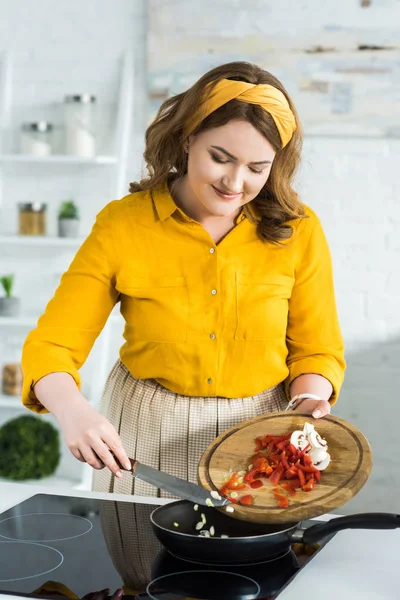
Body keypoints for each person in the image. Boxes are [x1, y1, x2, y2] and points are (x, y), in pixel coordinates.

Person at [21, 61, 345, 496]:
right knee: (138, 565)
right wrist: (73, 411)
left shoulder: (299, 229)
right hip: (144, 441)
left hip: (261, 440)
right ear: (189, 136)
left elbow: (316, 350)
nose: (235, 181)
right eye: (220, 158)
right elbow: (52, 346)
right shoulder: (124, 224)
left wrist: (308, 401)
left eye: (257, 167)